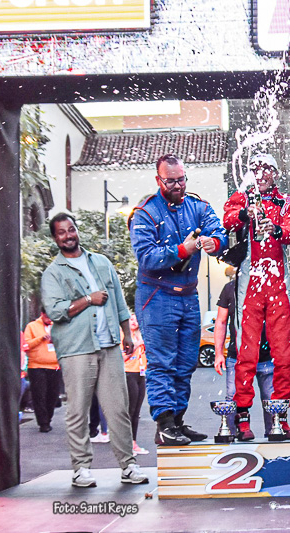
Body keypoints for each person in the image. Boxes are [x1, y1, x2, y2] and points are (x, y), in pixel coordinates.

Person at [41, 212, 148, 488]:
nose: (68, 236)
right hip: (77, 348)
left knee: (118, 408)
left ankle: (128, 465)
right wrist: (88, 299)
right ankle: (81, 469)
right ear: (55, 238)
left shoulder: (101, 262)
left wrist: (126, 333)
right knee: (77, 410)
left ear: (77, 230)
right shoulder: (53, 273)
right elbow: (55, 311)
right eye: (61, 232)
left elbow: (119, 302)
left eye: (71, 229)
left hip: (109, 344)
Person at [130, 153, 228, 446]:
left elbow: (219, 231)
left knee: (186, 363)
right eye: (170, 181)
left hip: (188, 295)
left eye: (181, 179)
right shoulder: (145, 213)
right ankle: (164, 424)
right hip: (156, 296)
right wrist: (183, 250)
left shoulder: (198, 207)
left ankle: (177, 421)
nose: (177, 185)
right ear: (158, 180)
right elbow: (146, 257)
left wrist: (214, 242)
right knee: (162, 363)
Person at [223, 153, 290, 441]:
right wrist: (247, 214)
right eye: (256, 169)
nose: (261, 174)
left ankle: (280, 416)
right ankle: (242, 419)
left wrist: (275, 229)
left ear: (276, 174)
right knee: (246, 351)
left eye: (267, 169)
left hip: (278, 281)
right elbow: (228, 219)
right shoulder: (243, 197)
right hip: (250, 282)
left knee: (285, 354)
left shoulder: (287, 202)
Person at [213, 270, 274, 437]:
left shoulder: (268, 286)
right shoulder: (230, 288)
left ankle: (274, 431)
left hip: (266, 356)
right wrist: (218, 353)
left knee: (271, 398)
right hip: (237, 355)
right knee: (233, 396)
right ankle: (231, 433)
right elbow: (221, 321)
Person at [22, 309, 62, 433]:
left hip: (55, 366)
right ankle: (43, 423)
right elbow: (26, 345)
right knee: (39, 395)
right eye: (48, 317)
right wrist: (41, 338)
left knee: (52, 395)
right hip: (37, 366)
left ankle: (48, 418)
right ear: (42, 314)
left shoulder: (58, 326)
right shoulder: (32, 326)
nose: (50, 320)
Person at [125, 314, 149, 455]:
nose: (134, 322)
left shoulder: (140, 335)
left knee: (137, 411)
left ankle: (133, 443)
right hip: (129, 373)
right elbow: (122, 357)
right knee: (130, 409)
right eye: (131, 319)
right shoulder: (125, 336)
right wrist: (136, 346)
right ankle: (127, 444)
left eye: (136, 319)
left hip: (141, 374)